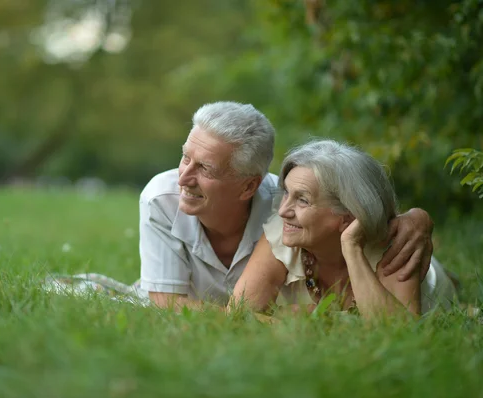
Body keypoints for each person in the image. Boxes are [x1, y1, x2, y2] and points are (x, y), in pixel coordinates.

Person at [139, 101, 436, 309]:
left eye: (205, 168)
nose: (183, 178)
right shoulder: (161, 200)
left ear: (249, 186)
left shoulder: (285, 204)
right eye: (185, 158)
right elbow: (167, 303)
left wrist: (416, 218)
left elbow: (358, 208)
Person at [231, 139, 457, 317]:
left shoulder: (397, 245)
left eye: (303, 200)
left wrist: (351, 247)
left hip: (434, 283)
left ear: (348, 217)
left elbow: (399, 333)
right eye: (287, 194)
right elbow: (240, 314)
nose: (283, 211)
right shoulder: (284, 231)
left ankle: (455, 279)